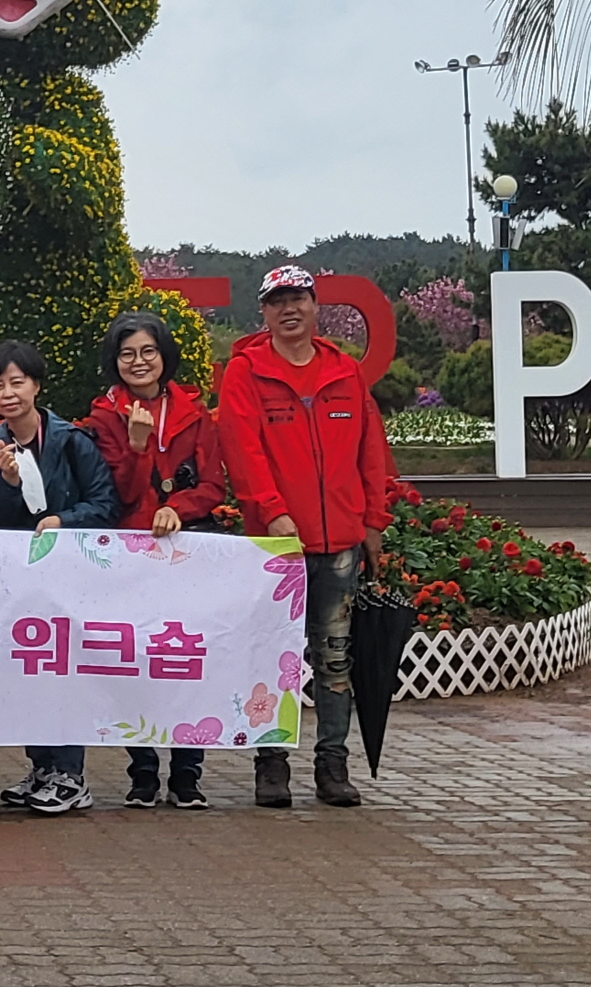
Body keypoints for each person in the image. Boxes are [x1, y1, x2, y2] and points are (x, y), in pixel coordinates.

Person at [219, 266, 393, 810]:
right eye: (276, 301)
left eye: (297, 298)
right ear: (264, 313)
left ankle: (332, 765)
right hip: (276, 549)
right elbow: (241, 451)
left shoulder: (344, 372)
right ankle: (270, 766)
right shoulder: (245, 372)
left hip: (340, 541)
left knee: (335, 656)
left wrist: (372, 521)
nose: (288, 309)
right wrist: (271, 513)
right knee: (273, 656)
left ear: (316, 306)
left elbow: (371, 450)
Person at [83, 311, 227, 810]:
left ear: (164, 355)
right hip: (130, 555)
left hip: (186, 552)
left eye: (148, 351)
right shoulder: (102, 417)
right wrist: (139, 447)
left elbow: (212, 487)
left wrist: (176, 508)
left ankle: (188, 773)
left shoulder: (195, 413)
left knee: (185, 658)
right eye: (127, 354)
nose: (138, 362)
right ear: (114, 362)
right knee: (137, 661)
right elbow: (116, 494)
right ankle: (142, 770)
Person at [0, 339, 117, 817]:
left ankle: (70, 775)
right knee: (30, 670)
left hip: (72, 575)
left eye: (17, 382)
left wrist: (64, 521)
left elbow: (103, 504)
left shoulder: (72, 441)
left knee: (65, 670)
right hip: (23, 580)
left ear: (36, 385)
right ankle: (42, 767)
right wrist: (10, 485)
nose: (8, 393)